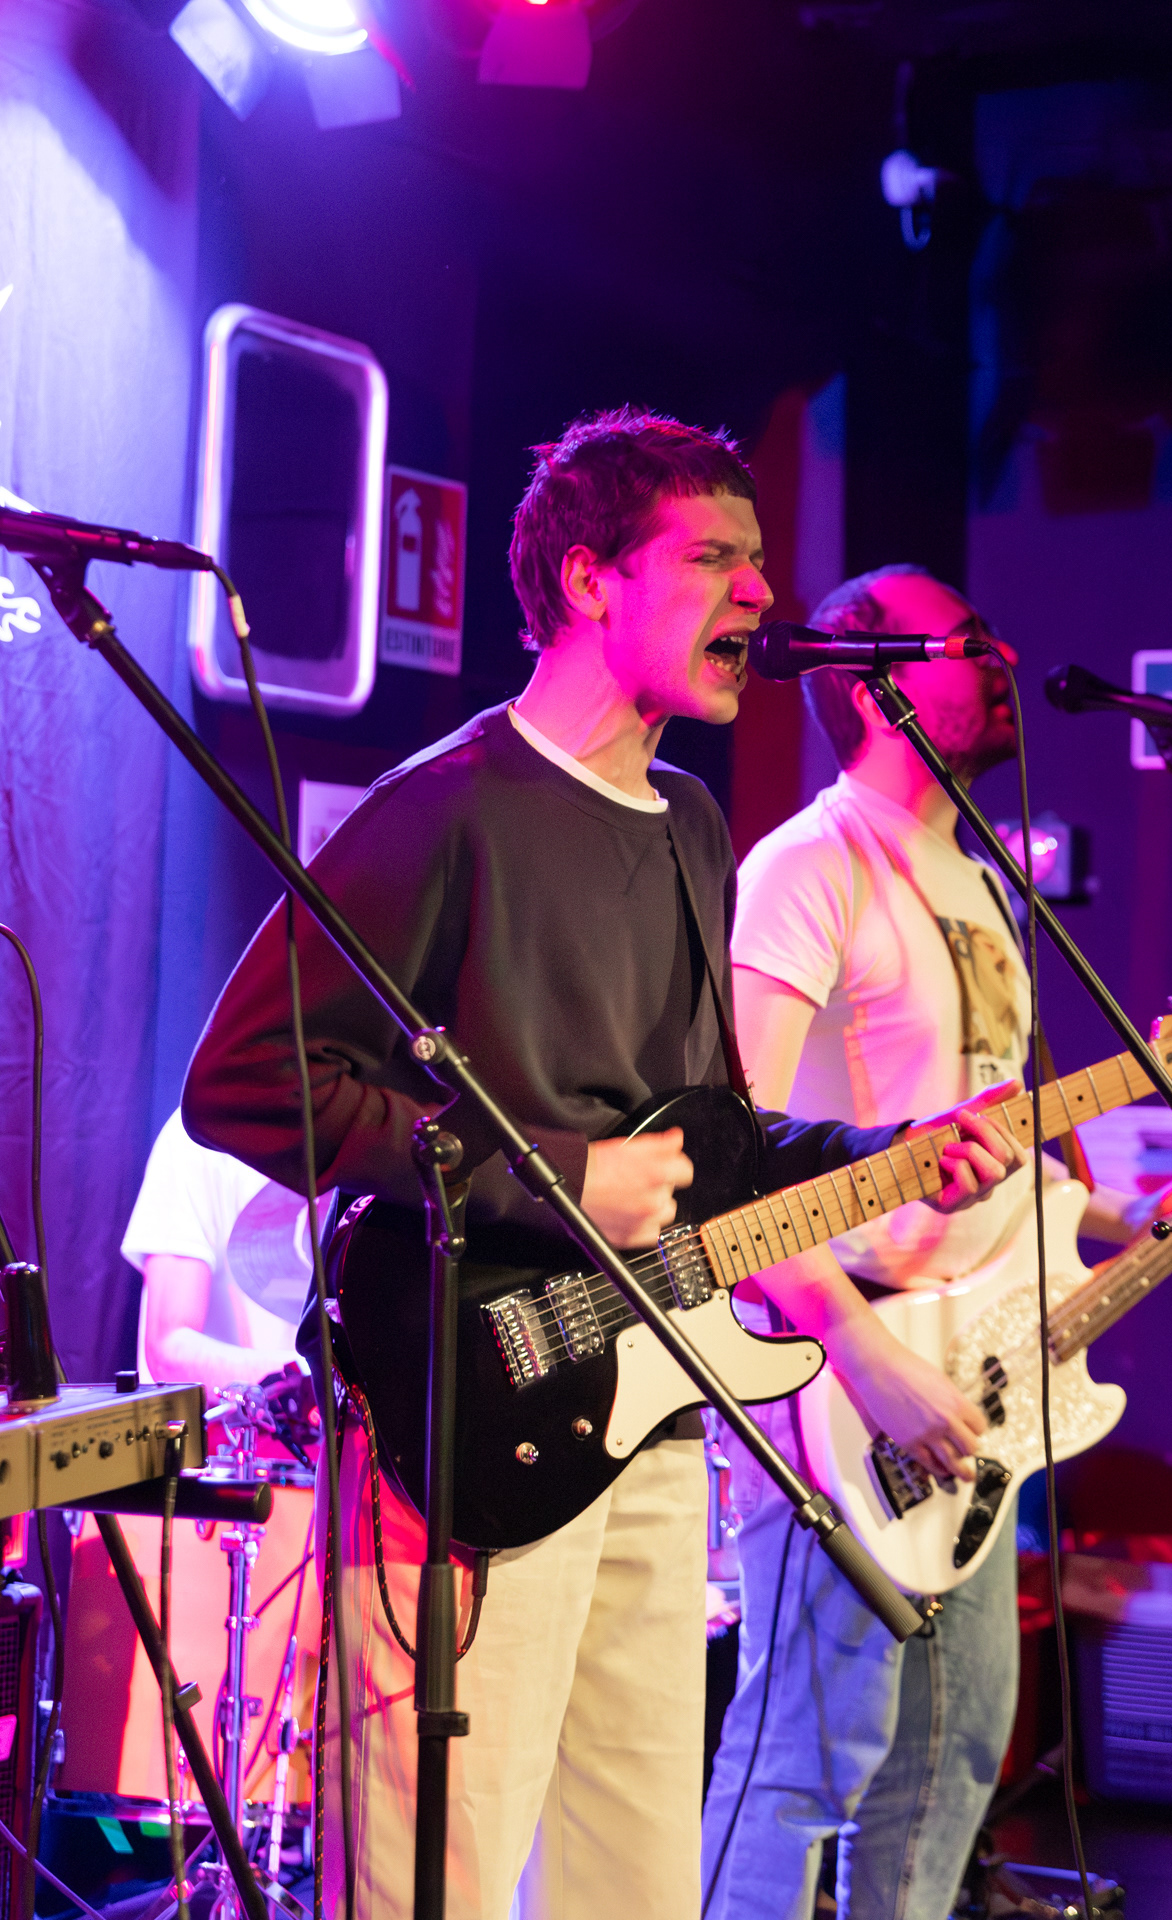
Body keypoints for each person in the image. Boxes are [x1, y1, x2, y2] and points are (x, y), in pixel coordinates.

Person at [181, 414, 1021, 1920]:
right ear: (588, 581)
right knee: (436, 1872)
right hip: (473, 1407)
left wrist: (889, 1155)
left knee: (631, 1882)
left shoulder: (692, 822)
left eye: (759, 562)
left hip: (651, 1411)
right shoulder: (450, 805)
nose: (761, 594)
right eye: (713, 559)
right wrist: (555, 1176)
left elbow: (712, 1136)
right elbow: (246, 1082)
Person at [701, 564, 1142, 1920]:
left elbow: (989, 1152)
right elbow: (731, 1155)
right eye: (966, 640)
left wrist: (1122, 1223)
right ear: (871, 682)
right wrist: (859, 1348)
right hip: (838, 1372)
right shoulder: (808, 865)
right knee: (805, 1754)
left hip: (972, 1379)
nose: (1001, 656)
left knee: (952, 1755)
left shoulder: (981, 880)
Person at [121, 1106, 304, 1396]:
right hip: (232, 1421)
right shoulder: (200, 1135)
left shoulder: (363, 1141)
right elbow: (169, 1351)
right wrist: (311, 1375)